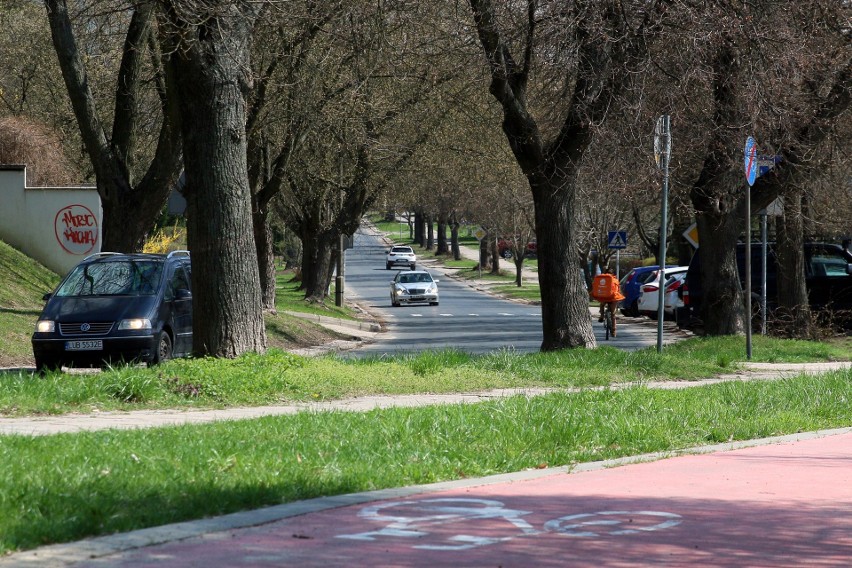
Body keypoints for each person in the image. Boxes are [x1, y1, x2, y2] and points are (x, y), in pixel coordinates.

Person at [591, 268, 625, 337]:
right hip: (613, 298)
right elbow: (618, 290)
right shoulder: (615, 280)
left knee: (602, 305)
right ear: (613, 274)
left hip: (604, 297)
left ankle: (602, 316)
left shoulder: (601, 279)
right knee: (613, 314)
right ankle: (614, 331)